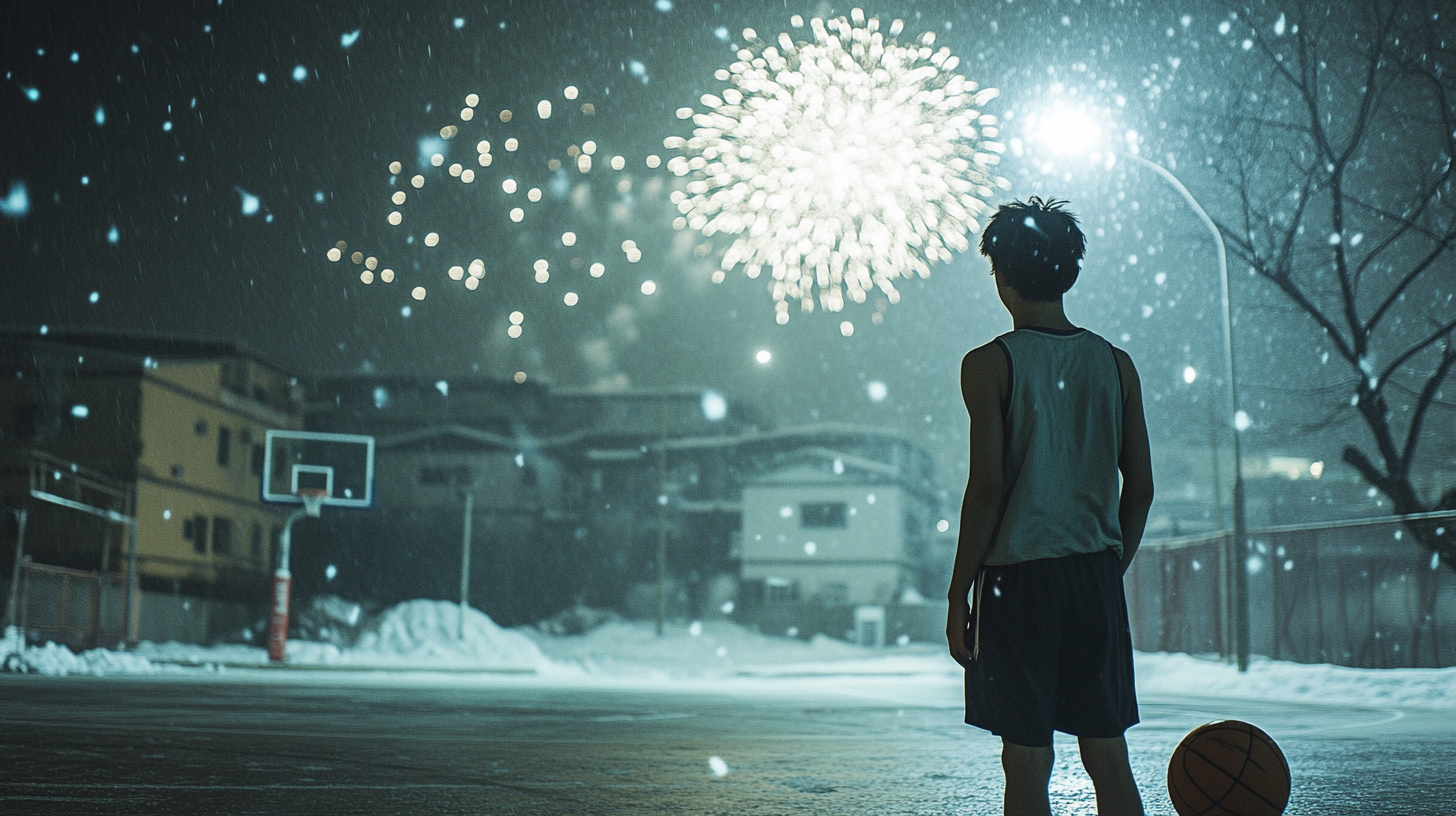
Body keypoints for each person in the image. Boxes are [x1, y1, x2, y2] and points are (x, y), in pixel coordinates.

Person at [946, 197, 1155, 816]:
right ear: (1070, 271)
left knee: (1028, 759)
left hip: (1018, 581)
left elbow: (987, 487)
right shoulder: (1115, 365)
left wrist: (959, 592)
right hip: (1092, 574)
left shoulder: (988, 365)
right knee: (1106, 752)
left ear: (1001, 277)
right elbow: (1139, 486)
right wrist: (1108, 565)